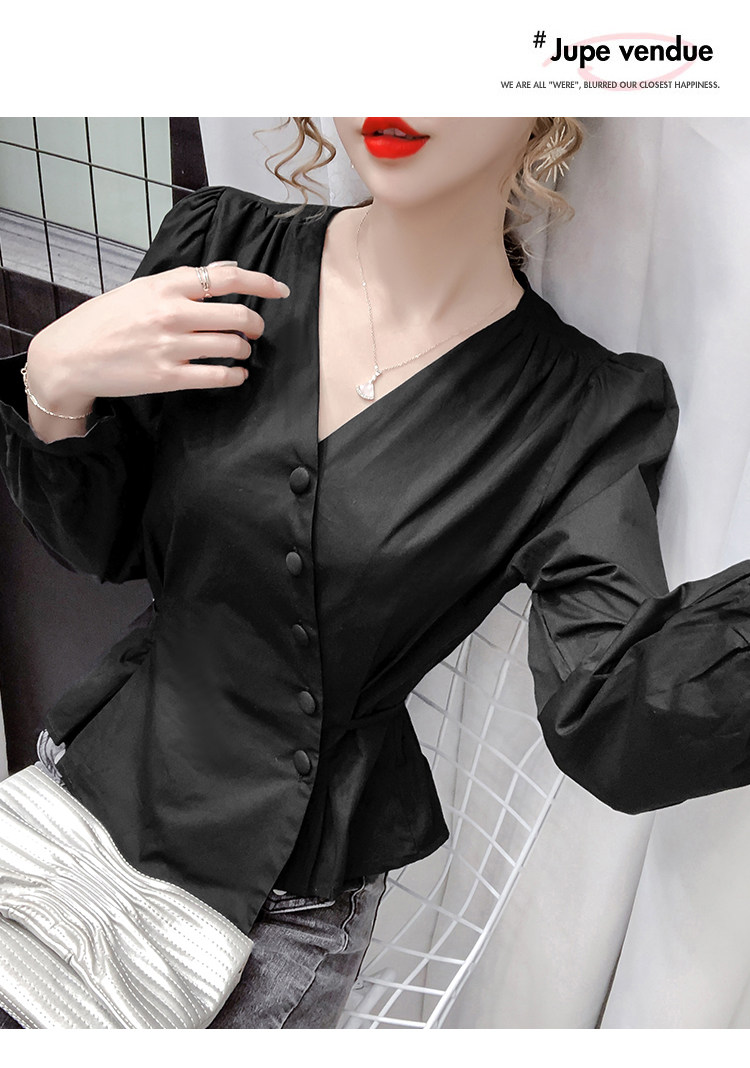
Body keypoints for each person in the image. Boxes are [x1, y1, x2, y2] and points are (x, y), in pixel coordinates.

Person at [0, 116, 749, 1029]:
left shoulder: (578, 411)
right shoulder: (223, 247)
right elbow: (103, 544)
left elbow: (615, 712)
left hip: (275, 909)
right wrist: (55, 384)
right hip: (75, 806)